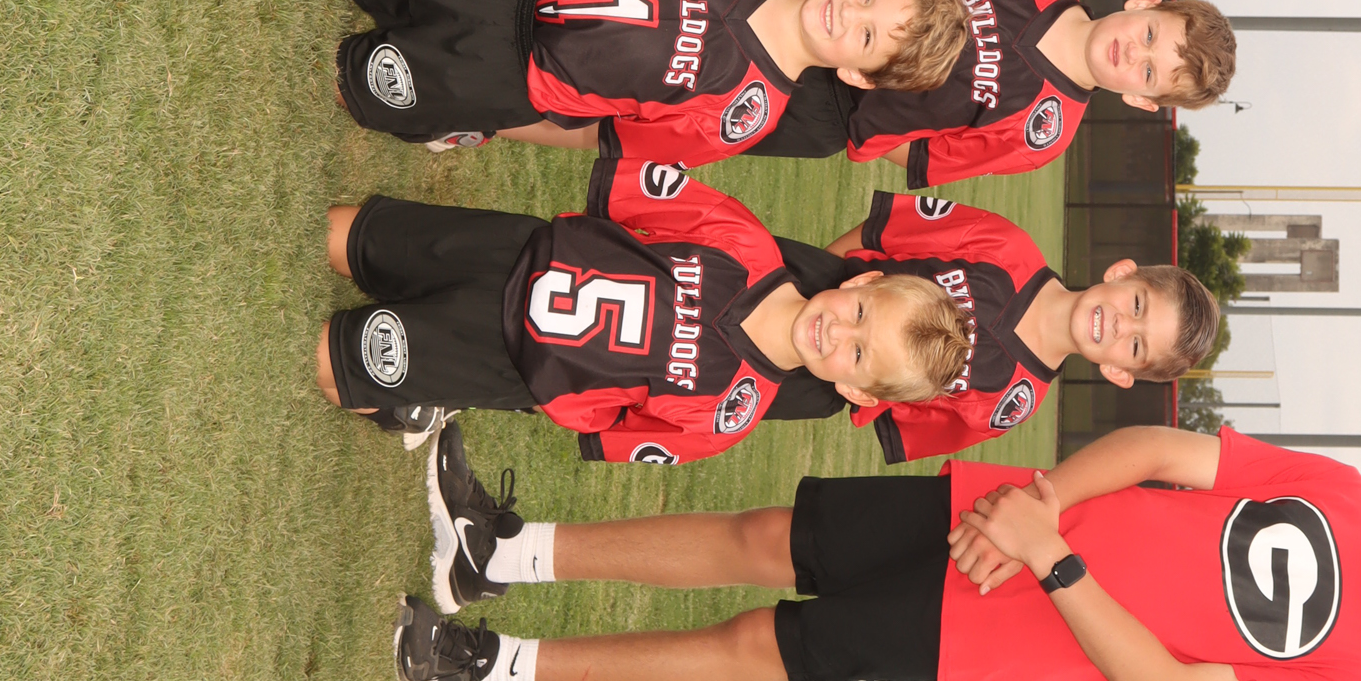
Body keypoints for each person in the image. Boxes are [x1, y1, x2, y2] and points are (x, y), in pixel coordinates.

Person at [389, 419, 1361, 681]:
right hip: (995, 517)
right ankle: (500, 551)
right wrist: (1041, 505)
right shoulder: (1344, 495)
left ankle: (479, 665)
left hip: (990, 632)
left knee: (756, 642)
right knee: (768, 534)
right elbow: (1160, 452)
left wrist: (1052, 561)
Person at [316, 158, 969, 467]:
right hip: (508, 250)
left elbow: (611, 428)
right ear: (864, 277)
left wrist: (554, 383)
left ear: (854, 391)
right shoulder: (745, 242)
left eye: (857, 352)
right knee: (342, 234)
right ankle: (396, 388)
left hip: (505, 362)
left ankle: (394, 391)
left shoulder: (729, 413)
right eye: (860, 311)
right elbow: (630, 198)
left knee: (330, 361)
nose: (838, 330)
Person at [332, 0, 969, 160]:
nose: (847, 14)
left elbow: (609, 133)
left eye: (865, 37)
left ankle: (435, 113)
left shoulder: (743, 117)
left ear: (857, 76)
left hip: (513, 79)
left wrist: (496, 121)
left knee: (350, 83)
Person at [744, 0, 1236, 185]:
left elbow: (926, 158)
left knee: (704, 118)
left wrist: (868, 119)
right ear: (1144, 4)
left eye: (1148, 71)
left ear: (1142, 100)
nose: (1131, 51)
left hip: (825, 111)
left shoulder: (1044, 135)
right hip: (832, 18)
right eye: (1149, 34)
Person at [821, 190, 1221, 464]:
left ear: (1118, 371)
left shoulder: (1010, 404)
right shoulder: (1006, 245)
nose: (1122, 325)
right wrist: (812, 273)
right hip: (820, 284)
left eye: (1136, 345)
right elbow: (885, 230)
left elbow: (892, 412)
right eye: (1137, 305)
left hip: (821, 378)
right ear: (1121, 273)